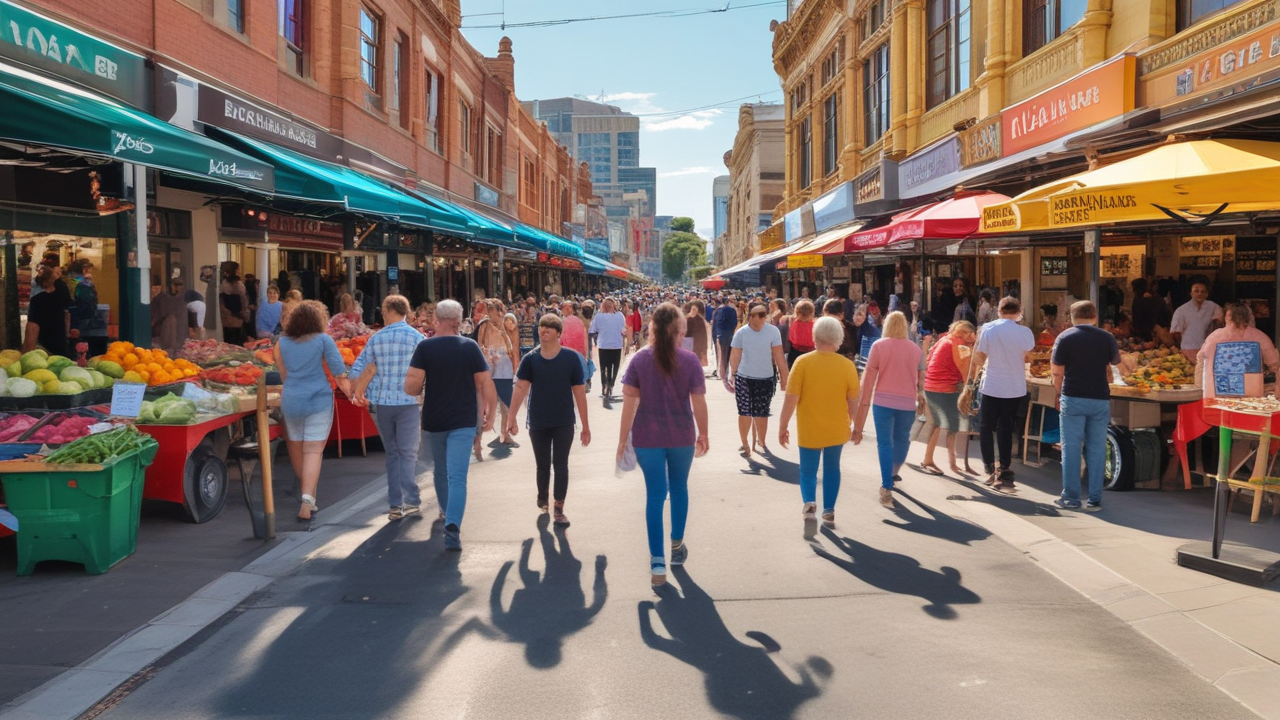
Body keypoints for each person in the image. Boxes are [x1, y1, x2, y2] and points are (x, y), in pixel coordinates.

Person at [617, 302, 709, 587]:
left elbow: (629, 404)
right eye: (681, 331)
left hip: (647, 437)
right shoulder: (690, 360)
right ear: (676, 331)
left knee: (655, 496)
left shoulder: (639, 360)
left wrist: (622, 441)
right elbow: (699, 402)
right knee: (679, 488)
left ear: (653, 328)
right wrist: (703, 434)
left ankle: (657, 563)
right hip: (681, 436)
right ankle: (677, 546)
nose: (683, 336)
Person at [404, 299, 497, 552]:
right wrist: (492, 413)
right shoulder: (470, 347)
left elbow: (410, 387)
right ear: (458, 321)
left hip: (435, 419)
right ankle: (453, 526)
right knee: (458, 476)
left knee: (440, 472)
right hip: (463, 420)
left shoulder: (425, 347)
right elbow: (485, 383)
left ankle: (446, 513)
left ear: (436, 319)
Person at [505, 313, 591, 527]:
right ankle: (542, 496)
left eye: (549, 328)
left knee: (561, 464)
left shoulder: (571, 359)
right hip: (538, 421)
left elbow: (579, 392)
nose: (543, 330)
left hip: (563, 421)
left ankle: (559, 507)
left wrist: (586, 426)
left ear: (558, 333)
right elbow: (521, 388)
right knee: (542, 465)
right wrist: (511, 417)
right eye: (541, 326)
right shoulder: (530, 359)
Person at [349, 295, 428, 521]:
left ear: (389, 310)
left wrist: (352, 385)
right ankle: (411, 500)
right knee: (409, 453)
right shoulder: (417, 338)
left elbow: (358, 369)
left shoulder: (376, 338)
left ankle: (395, 504)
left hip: (383, 403)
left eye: (384, 311)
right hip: (409, 403)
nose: (382, 315)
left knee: (392, 453)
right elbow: (427, 371)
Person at [778, 316, 860, 528]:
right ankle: (829, 510)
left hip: (809, 427)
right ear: (838, 338)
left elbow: (791, 398)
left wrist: (783, 425)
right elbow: (853, 401)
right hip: (836, 427)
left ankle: (810, 504)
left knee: (807, 470)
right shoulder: (847, 366)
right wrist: (856, 426)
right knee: (832, 468)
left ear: (815, 336)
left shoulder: (802, 362)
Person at [274, 301, 351, 523]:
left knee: (297, 447)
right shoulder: (324, 340)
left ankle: (308, 494)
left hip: (292, 400)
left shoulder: (282, 343)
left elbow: (283, 375)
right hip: (318, 400)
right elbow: (338, 373)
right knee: (313, 450)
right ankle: (307, 501)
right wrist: (353, 393)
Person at [1051, 301, 1121, 512]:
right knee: (1097, 449)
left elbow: (1056, 371)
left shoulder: (1065, 337)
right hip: (1099, 398)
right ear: (1094, 316)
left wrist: (1058, 391)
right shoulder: (1107, 337)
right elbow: (1115, 366)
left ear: (1072, 318)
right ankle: (1094, 499)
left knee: (1071, 448)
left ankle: (1071, 498)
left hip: (1073, 396)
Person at [852, 311, 923, 509]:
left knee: (884, 443)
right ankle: (893, 471)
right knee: (902, 439)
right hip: (907, 402)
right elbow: (919, 377)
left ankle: (886, 485)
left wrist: (862, 406)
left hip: (883, 401)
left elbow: (868, 379)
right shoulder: (915, 349)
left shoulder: (879, 346)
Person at [968, 296, 1035, 491]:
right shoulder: (1025, 332)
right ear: (1018, 312)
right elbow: (1029, 353)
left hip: (992, 384)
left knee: (986, 426)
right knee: (1006, 427)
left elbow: (981, 355)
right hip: (1015, 386)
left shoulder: (989, 329)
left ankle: (989, 467)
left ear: (999, 311)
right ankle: (1004, 466)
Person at [726, 302, 789, 458]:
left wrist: (785, 378)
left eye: (764, 314)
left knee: (761, 413)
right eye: (759, 315)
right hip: (744, 377)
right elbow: (734, 356)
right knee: (744, 411)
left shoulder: (773, 332)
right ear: (751, 316)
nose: (762, 318)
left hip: (765, 378)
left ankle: (761, 441)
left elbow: (779, 356)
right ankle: (745, 444)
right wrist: (732, 375)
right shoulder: (741, 333)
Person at [920, 321, 977, 477]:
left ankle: (950, 461)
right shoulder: (961, 346)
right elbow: (967, 371)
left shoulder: (944, 339)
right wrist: (968, 390)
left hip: (931, 385)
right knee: (945, 426)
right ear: (967, 333)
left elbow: (929, 359)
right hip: (944, 387)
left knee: (943, 424)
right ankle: (932, 460)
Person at [1197, 303, 1280, 391]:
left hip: (1216, 391)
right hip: (1251, 393)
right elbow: (1275, 365)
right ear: (1248, 317)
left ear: (1227, 318)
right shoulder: (1259, 336)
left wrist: (1199, 389)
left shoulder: (1214, 337)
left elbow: (1200, 363)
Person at [477, 299, 518, 450]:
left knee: (506, 401)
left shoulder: (504, 324)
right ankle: (478, 439)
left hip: (504, 366)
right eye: (495, 311)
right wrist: (488, 355)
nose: (498, 314)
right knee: (483, 402)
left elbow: (511, 344)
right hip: (490, 366)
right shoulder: (484, 325)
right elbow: (480, 345)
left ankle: (504, 434)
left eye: (500, 311)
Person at [1171, 279, 1223, 363]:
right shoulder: (1181, 310)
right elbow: (1176, 333)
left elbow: (1218, 327)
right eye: (1196, 291)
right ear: (1191, 293)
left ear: (1207, 294)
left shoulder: (1214, 307)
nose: (1199, 294)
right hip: (1188, 350)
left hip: (1208, 350)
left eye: (1202, 292)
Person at [23, 266, 70, 357]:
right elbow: (67, 314)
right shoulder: (62, 295)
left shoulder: (37, 300)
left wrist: (27, 351)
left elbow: (32, 327)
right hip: (60, 342)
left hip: (44, 344)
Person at [66, 259, 108, 356]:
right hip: (82, 322)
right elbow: (88, 306)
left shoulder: (66, 281)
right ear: (84, 270)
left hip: (69, 320)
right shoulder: (84, 285)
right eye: (89, 270)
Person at [590, 297, 628, 400]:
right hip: (616, 345)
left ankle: (604, 385)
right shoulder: (620, 316)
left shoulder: (599, 317)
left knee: (604, 367)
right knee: (614, 367)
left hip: (603, 345)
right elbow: (624, 329)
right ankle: (611, 385)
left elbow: (592, 329)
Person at [150, 277, 189, 358]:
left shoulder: (182, 300)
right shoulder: (161, 299)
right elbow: (154, 316)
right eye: (176, 285)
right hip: (161, 333)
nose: (178, 288)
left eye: (180, 285)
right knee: (171, 320)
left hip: (178, 337)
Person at [218, 262, 251, 346]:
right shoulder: (238, 284)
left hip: (226, 319)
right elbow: (241, 303)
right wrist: (245, 315)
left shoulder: (223, 284)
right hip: (237, 318)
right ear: (234, 270)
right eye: (238, 269)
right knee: (238, 345)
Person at [712, 296, 738, 377]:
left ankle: (721, 372)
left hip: (720, 334)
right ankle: (725, 372)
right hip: (729, 334)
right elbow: (734, 323)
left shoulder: (720, 310)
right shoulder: (732, 310)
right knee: (727, 353)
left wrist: (716, 335)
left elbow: (717, 324)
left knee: (720, 353)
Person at [787, 299, 816, 367]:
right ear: (812, 313)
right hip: (812, 352)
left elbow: (791, 339)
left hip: (795, 354)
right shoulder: (815, 324)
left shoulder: (794, 323)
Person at [686, 299, 710, 370]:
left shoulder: (700, 320)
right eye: (692, 309)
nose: (694, 311)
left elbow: (703, 335)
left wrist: (704, 349)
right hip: (687, 342)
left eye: (695, 309)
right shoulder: (686, 318)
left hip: (697, 344)